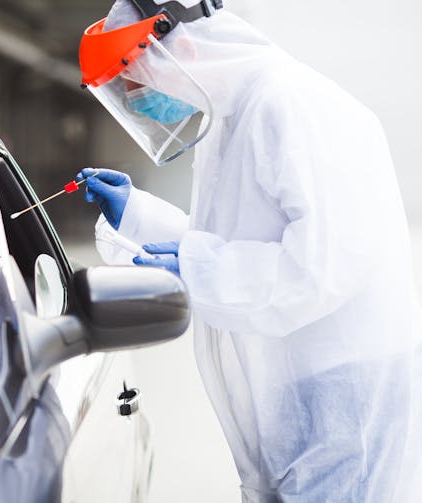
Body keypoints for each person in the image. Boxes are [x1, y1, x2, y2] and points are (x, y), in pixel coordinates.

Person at [76, 0, 422, 500]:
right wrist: (135, 212)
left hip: (345, 403)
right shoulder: (231, 119)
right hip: (301, 394)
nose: (133, 98)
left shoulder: (290, 102)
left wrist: (196, 271)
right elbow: (236, 248)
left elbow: (321, 267)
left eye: (134, 78)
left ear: (184, 47)